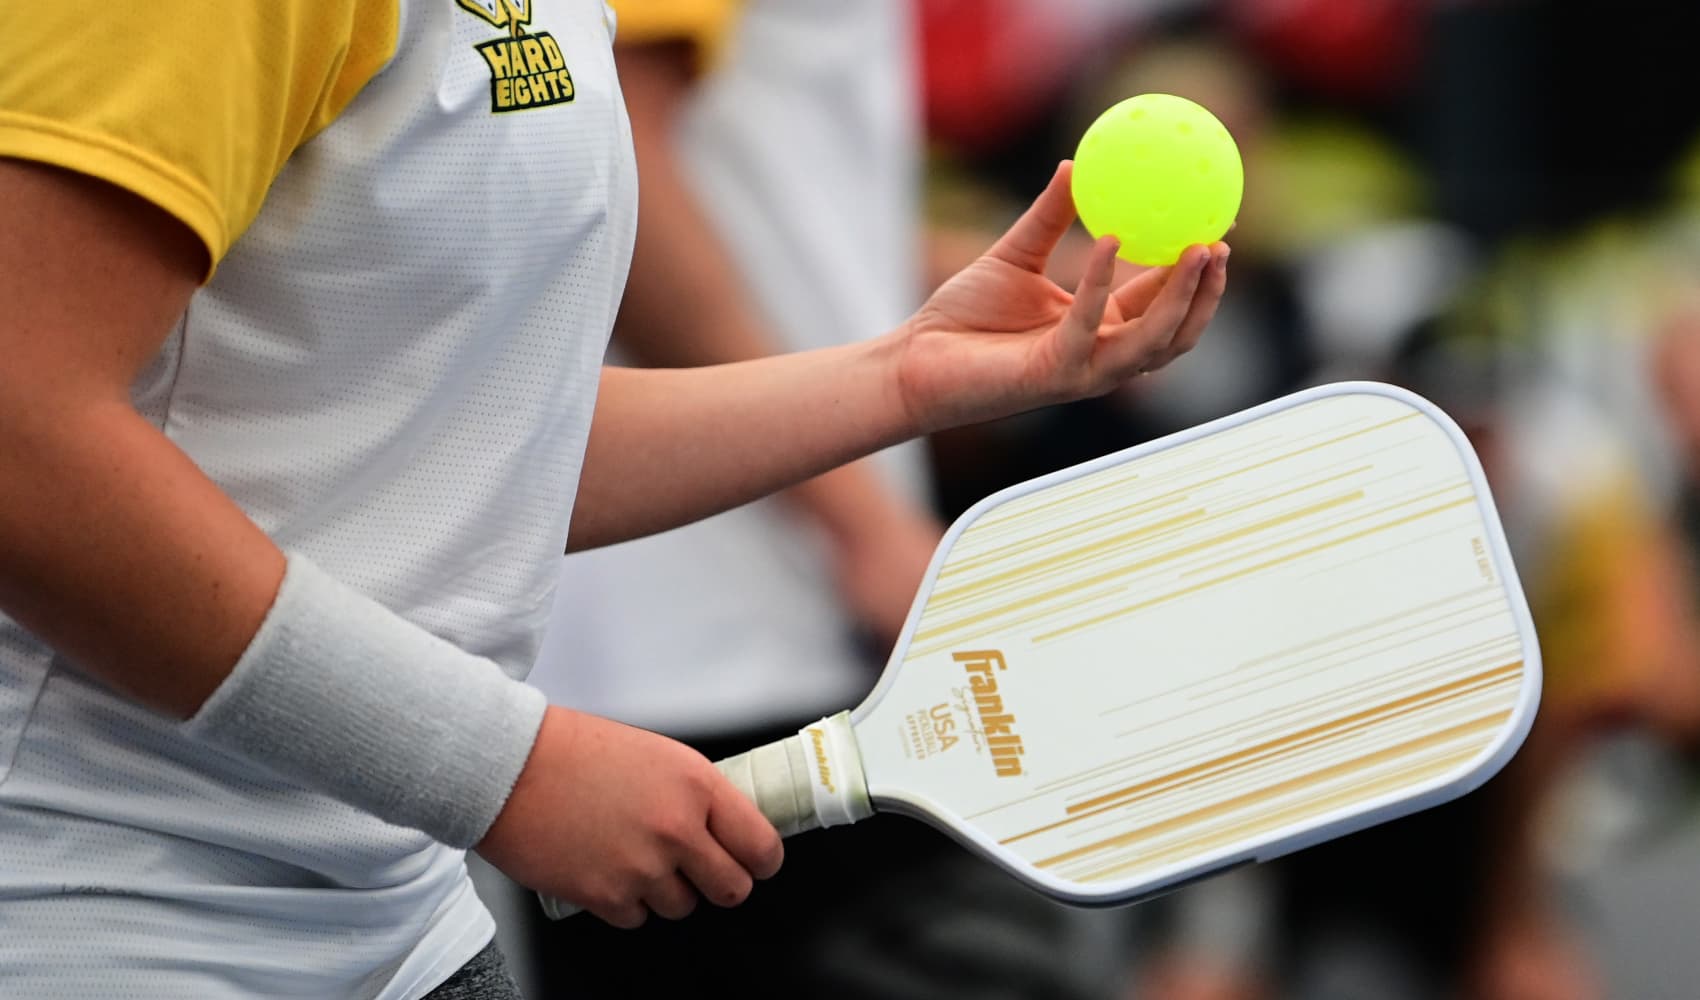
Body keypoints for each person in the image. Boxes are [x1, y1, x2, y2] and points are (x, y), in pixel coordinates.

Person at [0, 2, 1229, 996]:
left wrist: (903, 376)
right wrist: (504, 769)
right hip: (102, 913)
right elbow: (22, 438)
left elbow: (464, 442)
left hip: (391, 918)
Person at [516, 3, 1148, 996]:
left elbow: (790, 204)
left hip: (777, 637)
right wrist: (864, 525)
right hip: (705, 653)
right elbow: (608, 166)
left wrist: (1044, 292)